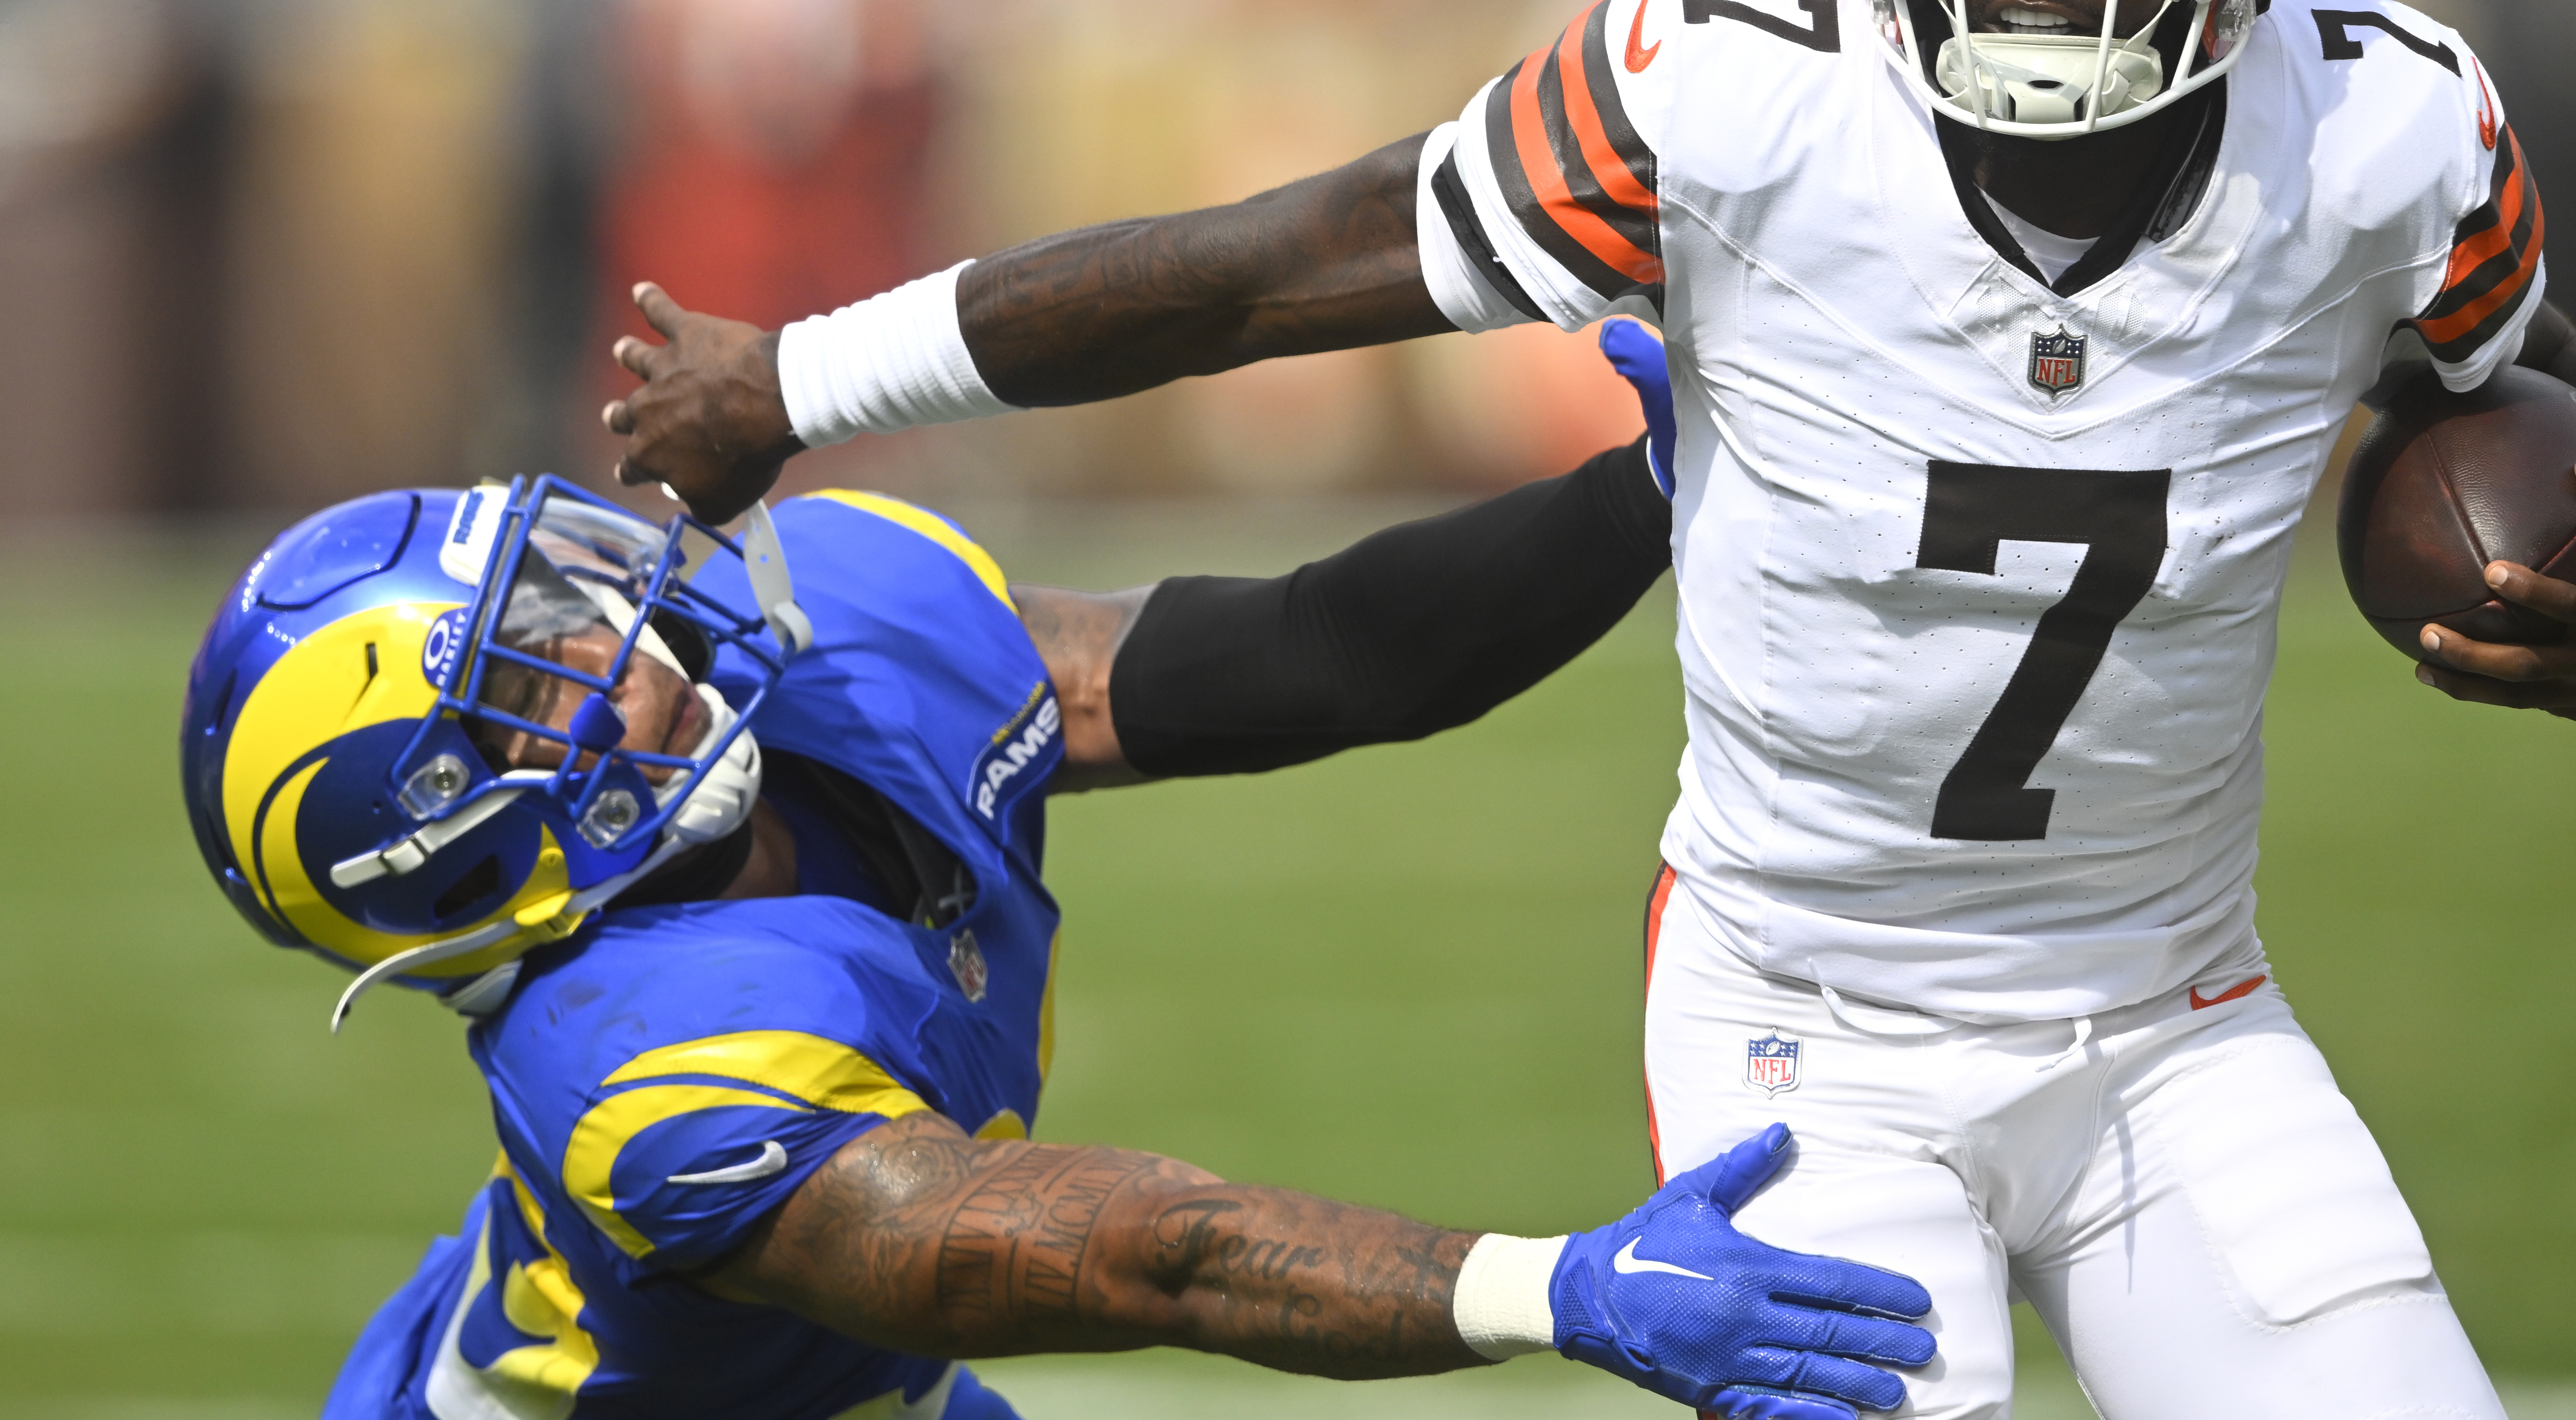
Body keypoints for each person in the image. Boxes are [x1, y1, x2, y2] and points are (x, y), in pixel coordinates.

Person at [603, 0, 2576, 1419]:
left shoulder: (2384, 128)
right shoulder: (1719, 90)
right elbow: (1265, 270)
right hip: (1802, 1026)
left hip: (2182, 1020)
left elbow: (2511, 365)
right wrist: (798, 373)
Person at [182, 402, 1937, 1420]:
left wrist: (1664, 475)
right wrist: (1546, 1285)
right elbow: (1131, 1250)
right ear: (455, 855)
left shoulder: (834, 636)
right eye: (529, 684)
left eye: (552, 592)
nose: (609, 636)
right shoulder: (646, 1065)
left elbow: (1317, 654)